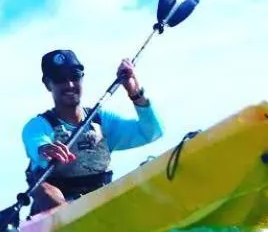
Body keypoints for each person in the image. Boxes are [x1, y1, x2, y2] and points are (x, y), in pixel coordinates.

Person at [22, 48, 163, 218]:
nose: (69, 85)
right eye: (60, 79)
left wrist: (135, 92)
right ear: (47, 84)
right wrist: (45, 148)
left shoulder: (103, 121)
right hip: (56, 214)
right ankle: (72, 219)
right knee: (43, 189)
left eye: (75, 76)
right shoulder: (38, 126)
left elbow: (152, 132)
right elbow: (36, 142)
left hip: (102, 207)